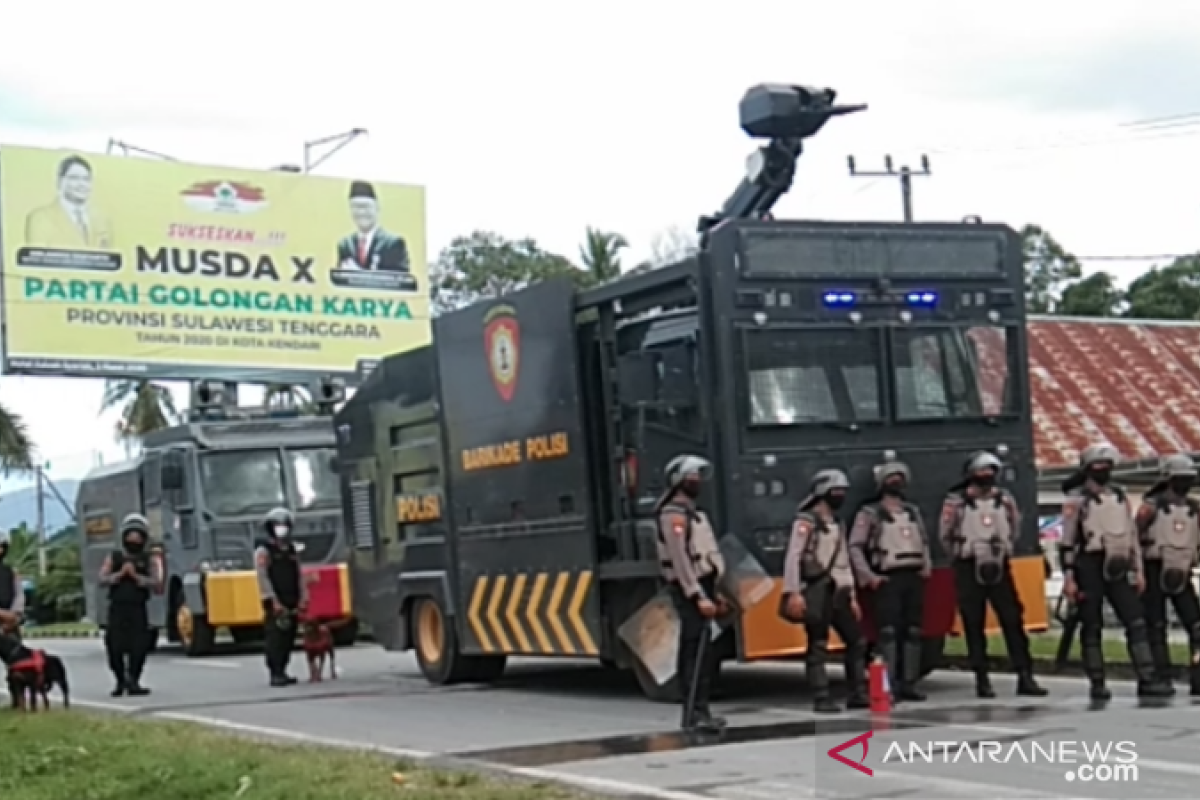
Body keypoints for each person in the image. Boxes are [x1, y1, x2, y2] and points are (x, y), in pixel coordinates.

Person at [1060, 443, 1173, 700]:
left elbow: (1131, 536)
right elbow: (1067, 541)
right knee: (1091, 625)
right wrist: (1069, 578)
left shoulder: (1119, 496)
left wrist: (1139, 570)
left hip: (1119, 564)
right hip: (1089, 565)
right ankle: (1097, 682)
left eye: (1107, 465)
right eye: (1098, 466)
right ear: (1087, 469)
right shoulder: (1077, 500)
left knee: (1136, 621)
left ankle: (1147, 678)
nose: (1103, 470)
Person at [940, 451, 1046, 698]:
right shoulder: (955, 502)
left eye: (991, 471)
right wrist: (961, 554)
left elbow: (1015, 527)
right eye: (982, 471)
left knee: (1013, 620)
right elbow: (945, 535)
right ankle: (982, 679)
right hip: (968, 566)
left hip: (999, 564)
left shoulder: (1005, 500)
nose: (987, 476)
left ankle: (1025, 675)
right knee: (973, 623)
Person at [782, 469, 869, 713]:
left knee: (856, 641)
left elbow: (843, 560)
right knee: (818, 644)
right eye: (836, 491)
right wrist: (793, 592)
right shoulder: (806, 522)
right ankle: (821, 696)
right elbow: (794, 557)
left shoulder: (838, 524)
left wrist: (851, 595)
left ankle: (857, 692)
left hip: (839, 591)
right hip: (817, 590)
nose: (840, 496)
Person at [849, 458, 931, 702]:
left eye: (900, 477)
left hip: (913, 576)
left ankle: (909, 683)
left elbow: (924, 542)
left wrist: (926, 566)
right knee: (887, 634)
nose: (896, 481)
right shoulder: (870, 514)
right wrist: (868, 577)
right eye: (891, 477)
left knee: (914, 632)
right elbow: (855, 546)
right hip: (886, 578)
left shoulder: (912, 512)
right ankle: (888, 684)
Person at [656, 454, 727, 732]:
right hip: (690, 588)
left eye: (698, 476)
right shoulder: (672, 515)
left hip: (706, 585)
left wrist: (715, 591)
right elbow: (680, 559)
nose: (696, 481)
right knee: (693, 649)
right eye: (691, 476)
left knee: (704, 649)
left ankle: (702, 709)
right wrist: (697, 595)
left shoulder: (694, 513)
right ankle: (693, 712)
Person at [1135, 453, 1200, 695]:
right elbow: (1134, 536)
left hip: (1182, 570)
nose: (1185, 483)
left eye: (1189, 478)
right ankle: (1160, 676)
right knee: (1156, 625)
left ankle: (1197, 676)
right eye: (1180, 478)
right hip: (1154, 567)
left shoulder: (1193, 508)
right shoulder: (1151, 507)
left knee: (1196, 625)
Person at [98, 514, 161, 696]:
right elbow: (102, 578)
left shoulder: (148, 558)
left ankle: (134, 680)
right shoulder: (115, 557)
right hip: (117, 607)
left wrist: (136, 577)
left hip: (138, 607)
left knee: (139, 646)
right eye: (130, 535)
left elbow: (156, 582)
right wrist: (118, 576)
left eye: (137, 536)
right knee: (114, 645)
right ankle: (119, 680)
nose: (134, 539)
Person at [256, 507, 308, 687]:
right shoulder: (264, 551)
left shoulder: (292, 550)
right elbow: (262, 577)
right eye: (277, 525)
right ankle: (275, 671)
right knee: (275, 636)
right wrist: (273, 600)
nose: (281, 529)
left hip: (291, 597)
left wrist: (303, 597)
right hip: (274, 600)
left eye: (284, 525)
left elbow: (299, 574)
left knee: (289, 636)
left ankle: (283, 669)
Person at [24, 154, 114, 248]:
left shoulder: (102, 221)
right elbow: (37, 258)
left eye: (86, 179)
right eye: (74, 178)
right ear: (60, 181)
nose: (82, 184)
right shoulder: (40, 218)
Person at [335, 180, 411, 272]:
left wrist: (360, 275)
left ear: (377, 207)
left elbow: (400, 281)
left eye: (366, 206)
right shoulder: (345, 244)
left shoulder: (393, 243)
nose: (361, 212)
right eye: (356, 207)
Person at [0, 533, 24, 636]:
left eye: (1, 546)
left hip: (9, 626)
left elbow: (19, 596)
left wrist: (14, 615)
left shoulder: (11, 572)